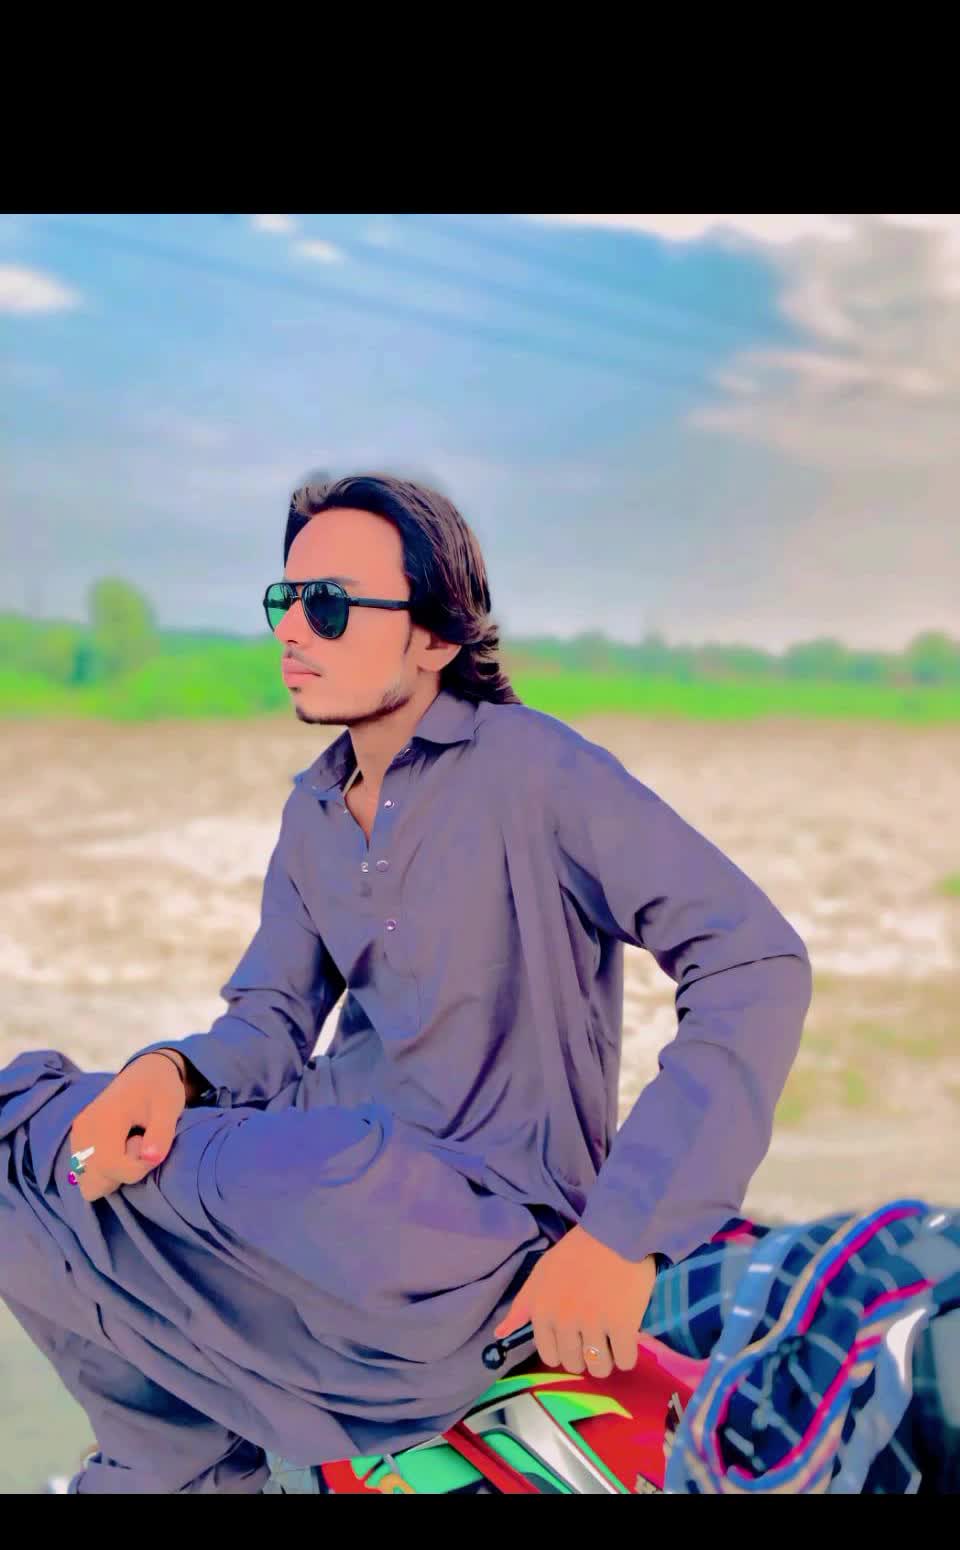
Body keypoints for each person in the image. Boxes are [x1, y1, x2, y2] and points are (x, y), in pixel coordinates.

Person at [0, 472, 813, 1494]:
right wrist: (172, 1073)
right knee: (28, 1152)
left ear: (432, 636)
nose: (292, 630)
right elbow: (268, 1024)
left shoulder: (536, 770)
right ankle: (175, 1466)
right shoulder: (314, 809)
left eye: (329, 606)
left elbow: (753, 959)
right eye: (284, 600)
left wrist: (623, 1236)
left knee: (187, 1156)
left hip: (463, 1227)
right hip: (316, 1185)